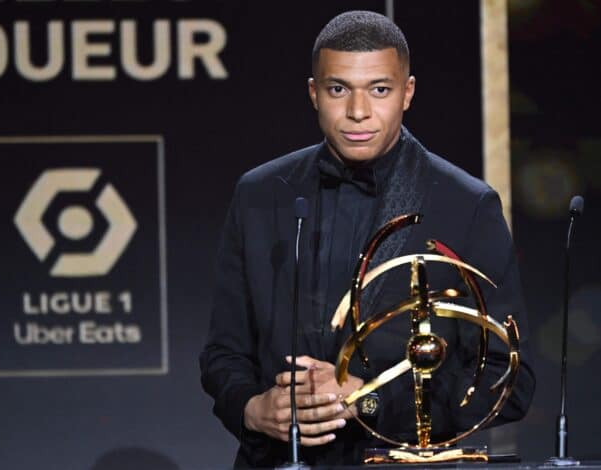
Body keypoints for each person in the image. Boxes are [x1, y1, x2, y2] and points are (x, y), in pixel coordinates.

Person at [199, 10, 535, 467]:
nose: (358, 112)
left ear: (407, 93)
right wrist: (251, 409)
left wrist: (371, 399)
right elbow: (223, 352)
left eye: (379, 90)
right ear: (314, 93)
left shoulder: (465, 206)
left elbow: (508, 379)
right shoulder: (261, 195)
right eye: (338, 90)